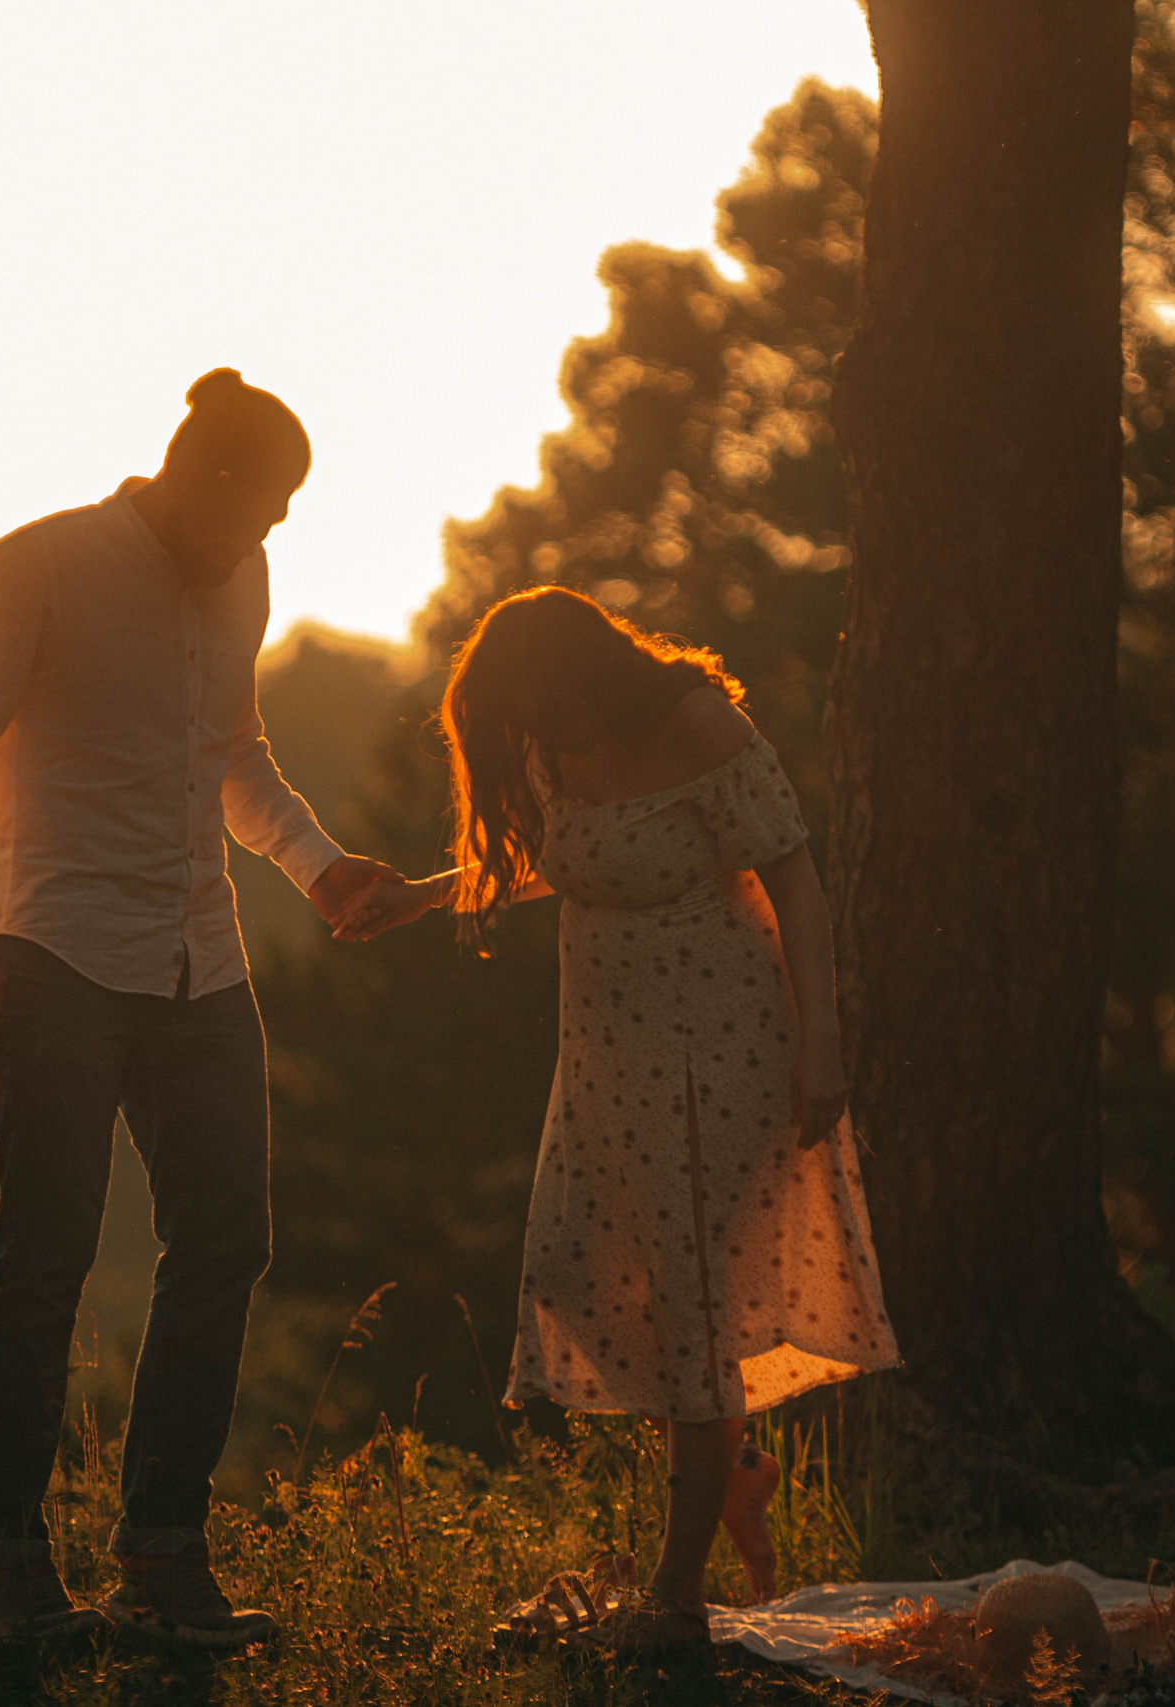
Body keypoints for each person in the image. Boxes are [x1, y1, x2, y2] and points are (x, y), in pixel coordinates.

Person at [0, 369, 399, 1651]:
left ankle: (162, 1559)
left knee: (225, 1242)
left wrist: (318, 867)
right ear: (201, 476)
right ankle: (17, 1582)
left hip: (198, 958)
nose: (270, 536)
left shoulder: (241, 578)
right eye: (262, 509)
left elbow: (232, 756)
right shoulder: (39, 565)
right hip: (50, 953)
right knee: (47, 1259)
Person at [332, 585, 902, 1652]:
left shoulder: (699, 725)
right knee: (598, 1283)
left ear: (579, 672)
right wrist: (420, 895)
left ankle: (675, 1596)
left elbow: (795, 877)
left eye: (531, 706)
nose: (527, 733)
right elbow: (563, 860)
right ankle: (732, 1474)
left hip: (715, 1053)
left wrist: (822, 1042)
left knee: (694, 1308)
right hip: (608, 1066)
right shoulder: (557, 739)